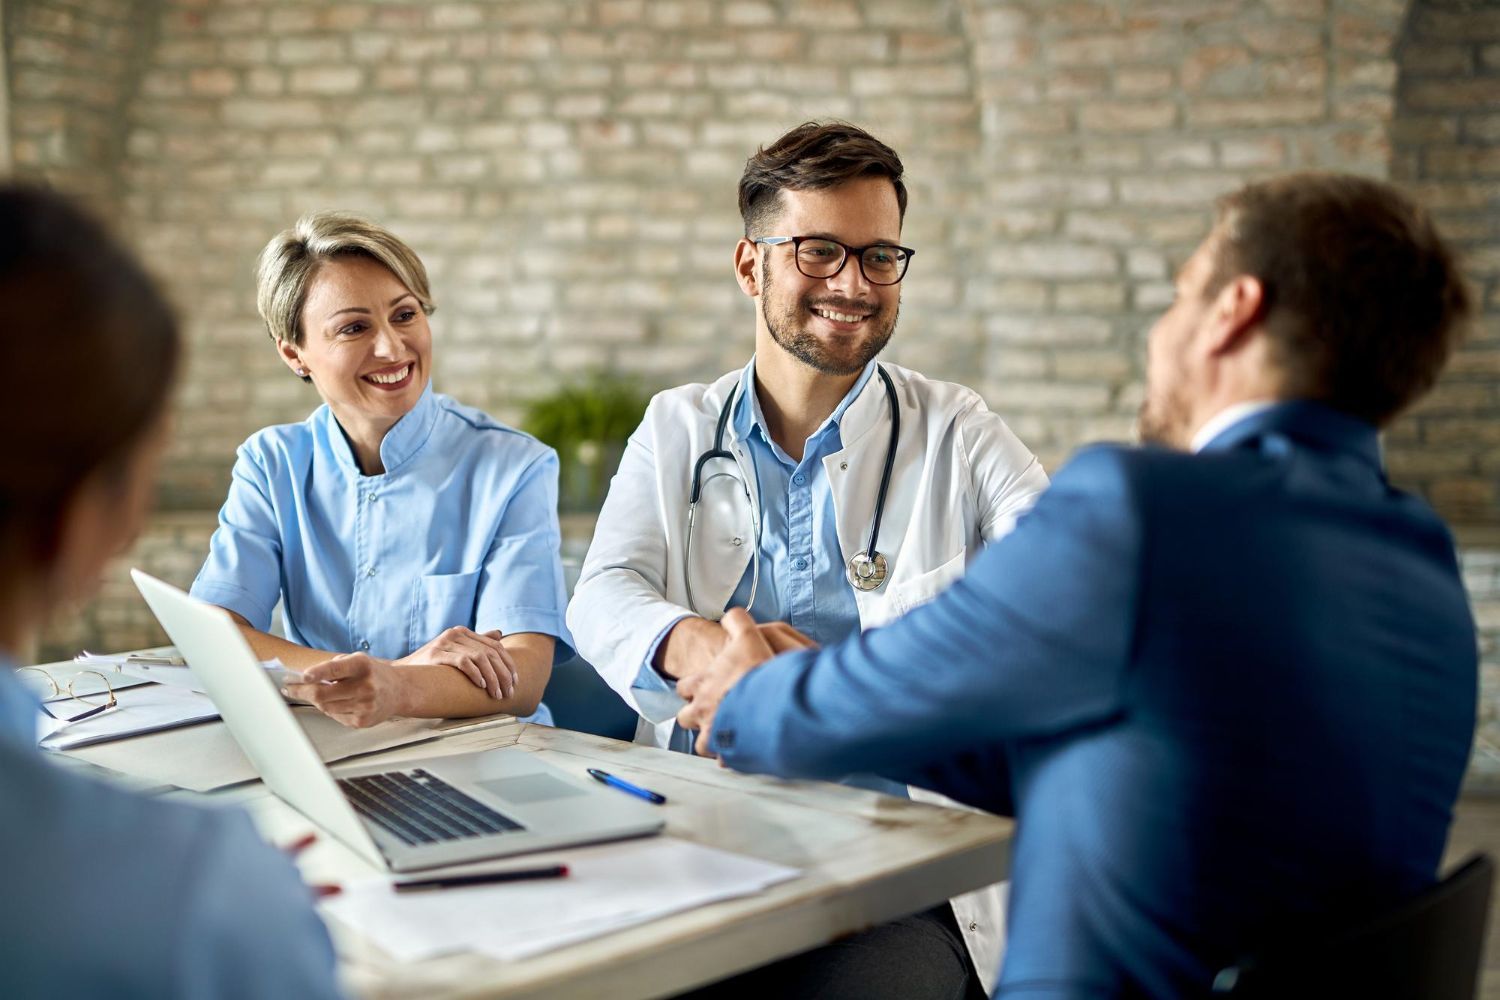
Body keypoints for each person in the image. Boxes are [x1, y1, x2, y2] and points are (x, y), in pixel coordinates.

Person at [677, 172, 1479, 997]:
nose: (1160, 334)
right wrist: (853, 693)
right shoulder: (1418, 556)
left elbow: (793, 718)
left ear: (1232, 313)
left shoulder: (1140, 513)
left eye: (1178, 297)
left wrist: (756, 693)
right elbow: (1132, 755)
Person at [569, 121, 1048, 998]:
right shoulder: (677, 427)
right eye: (820, 251)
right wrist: (708, 652)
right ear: (751, 266)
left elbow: (1058, 605)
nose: (854, 284)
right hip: (698, 846)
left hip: (893, 875)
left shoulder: (958, 432)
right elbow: (603, 591)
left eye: (879, 257)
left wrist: (824, 681)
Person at [0, 186, 342, 998]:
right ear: (98, 511)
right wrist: (241, 900)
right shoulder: (197, 896)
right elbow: (218, 621)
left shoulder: (508, 463)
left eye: (407, 314)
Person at [192, 212, 571, 728]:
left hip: (483, 755)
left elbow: (523, 679)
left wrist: (394, 687)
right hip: (326, 748)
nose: (392, 347)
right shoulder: (271, 463)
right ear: (294, 353)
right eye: (353, 327)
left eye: (406, 315)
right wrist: (392, 674)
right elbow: (215, 634)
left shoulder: (513, 466)